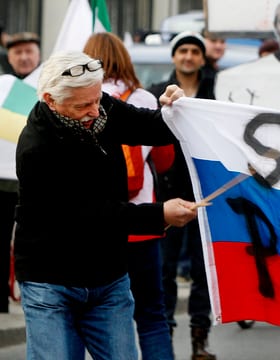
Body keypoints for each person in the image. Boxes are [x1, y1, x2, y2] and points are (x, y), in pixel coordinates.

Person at [14, 50, 194, 359]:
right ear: (50, 100)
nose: (96, 111)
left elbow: (151, 126)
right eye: (83, 105)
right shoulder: (36, 148)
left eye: (98, 99)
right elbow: (88, 214)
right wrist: (159, 213)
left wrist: (176, 107)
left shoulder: (101, 108)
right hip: (50, 283)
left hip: (108, 277)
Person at [83, 32, 176, 359]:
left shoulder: (82, 100)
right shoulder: (145, 100)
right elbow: (164, 162)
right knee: (152, 315)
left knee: (102, 314)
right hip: (143, 225)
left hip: (98, 229)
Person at [148, 31, 218, 360]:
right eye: (182, 51)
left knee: (205, 270)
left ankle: (199, 341)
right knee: (165, 269)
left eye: (194, 51)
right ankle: (165, 339)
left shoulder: (216, 94)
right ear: (174, 57)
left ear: (202, 58)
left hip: (207, 194)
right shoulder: (156, 94)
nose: (188, 56)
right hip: (166, 195)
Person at [1, 30, 41, 314]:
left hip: (38, 184)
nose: (24, 57)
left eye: (29, 51)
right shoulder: (3, 87)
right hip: (3, 184)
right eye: (18, 52)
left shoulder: (47, 87)